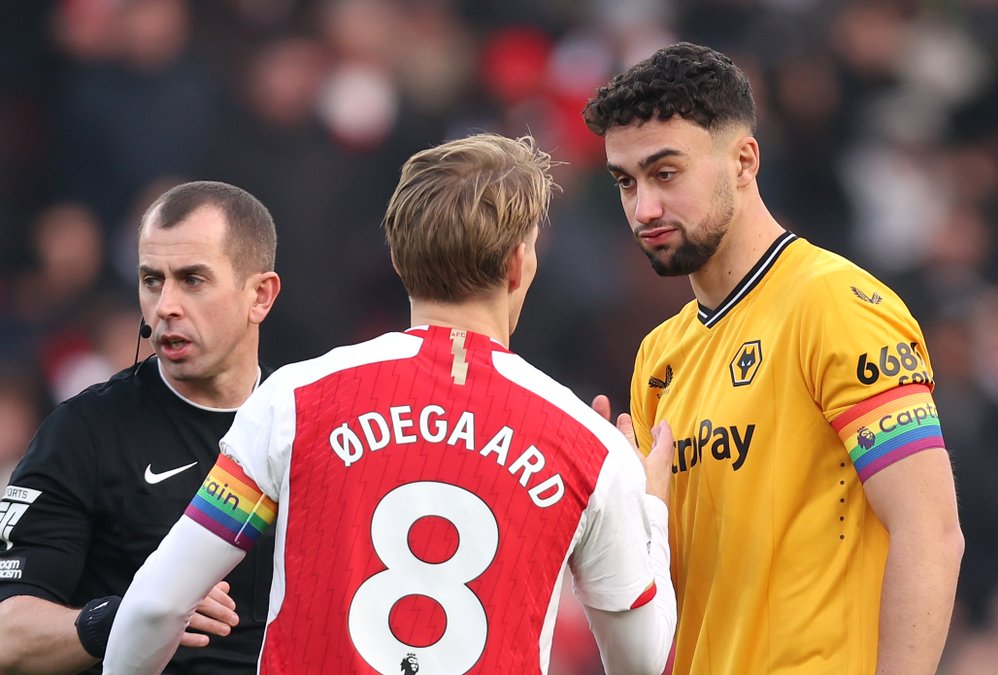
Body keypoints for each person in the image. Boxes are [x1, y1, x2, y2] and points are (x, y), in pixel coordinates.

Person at [103, 133, 678, 674]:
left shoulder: (294, 400)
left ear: (400, 261)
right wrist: (650, 507)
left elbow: (155, 607)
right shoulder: (590, 445)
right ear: (517, 265)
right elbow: (642, 662)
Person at [582, 42, 964, 674]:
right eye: (626, 182)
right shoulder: (659, 354)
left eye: (666, 173)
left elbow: (931, 534)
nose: (644, 208)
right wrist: (618, 513)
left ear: (743, 160)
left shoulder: (837, 306)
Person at [0, 180, 283, 673]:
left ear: (259, 295)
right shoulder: (84, 431)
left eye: (192, 279)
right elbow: (7, 635)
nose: (165, 306)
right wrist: (132, 614)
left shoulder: (310, 425)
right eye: (152, 280)